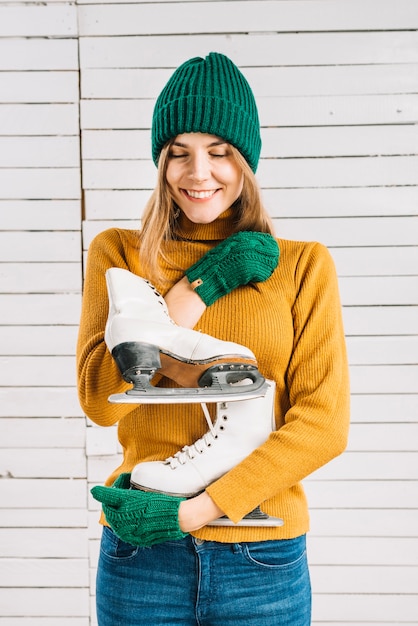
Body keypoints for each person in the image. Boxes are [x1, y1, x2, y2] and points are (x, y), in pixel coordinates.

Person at [76, 52, 350, 626]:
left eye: (219, 152)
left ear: (245, 161)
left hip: (262, 556)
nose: (198, 173)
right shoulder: (121, 257)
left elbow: (323, 423)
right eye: (179, 152)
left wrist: (193, 512)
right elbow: (101, 402)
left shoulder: (302, 267)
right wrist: (201, 287)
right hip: (140, 556)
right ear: (161, 163)